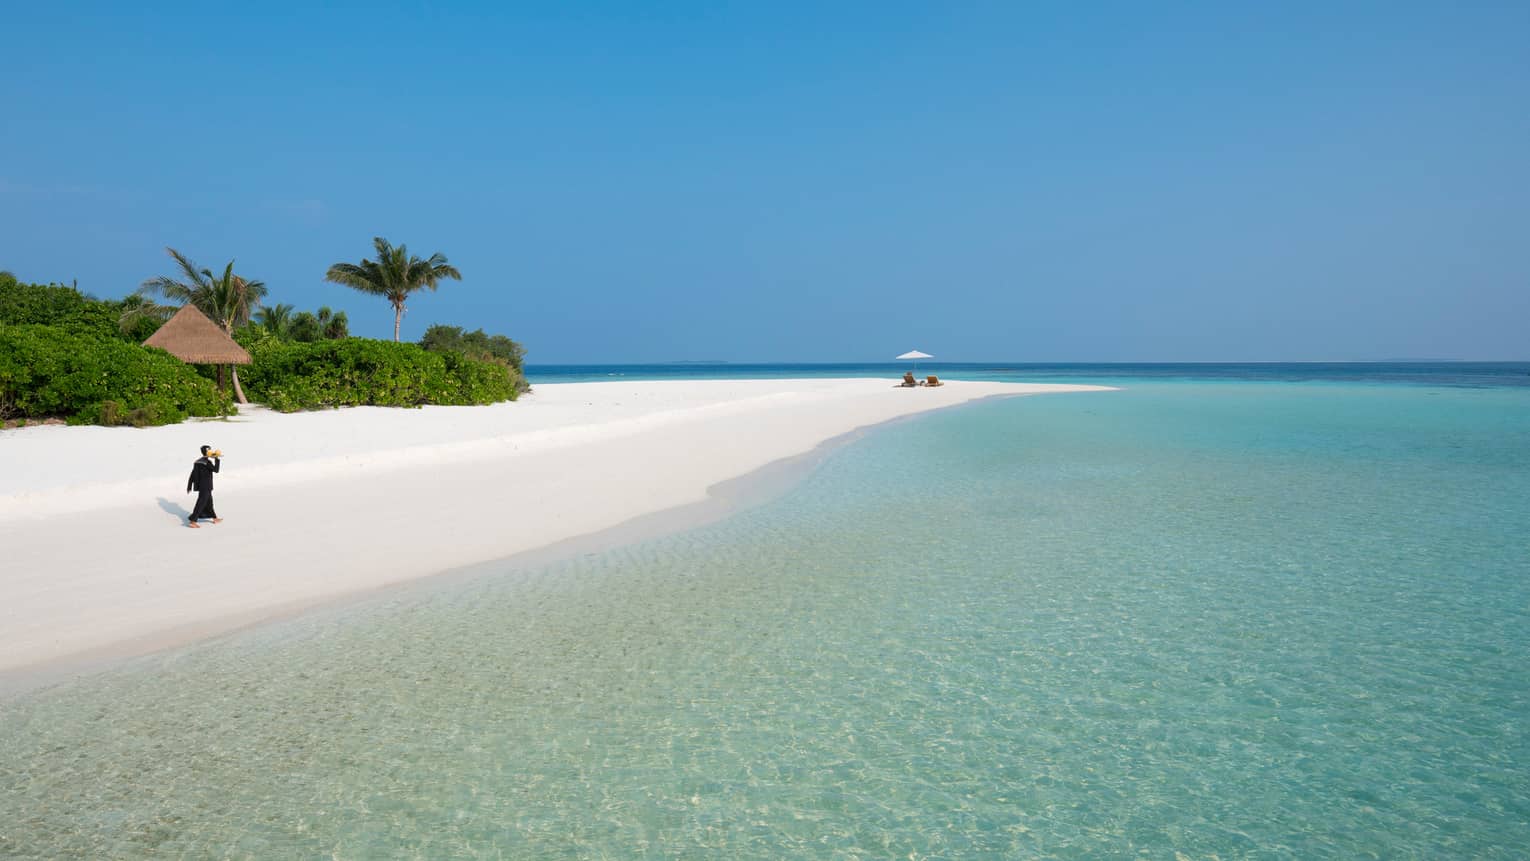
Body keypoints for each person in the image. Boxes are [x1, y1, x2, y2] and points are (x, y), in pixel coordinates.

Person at [186, 445, 222, 528]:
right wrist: (216, 459)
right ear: (207, 452)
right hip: (206, 487)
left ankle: (214, 518)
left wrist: (189, 486)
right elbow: (216, 470)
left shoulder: (198, 461)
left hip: (203, 487)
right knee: (201, 503)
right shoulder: (207, 462)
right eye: (210, 451)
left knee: (209, 503)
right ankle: (193, 521)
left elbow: (192, 474)